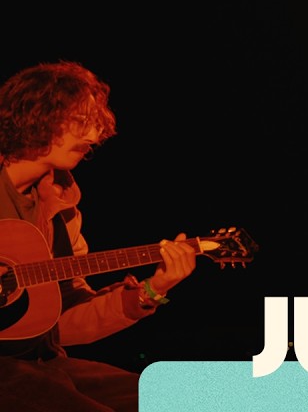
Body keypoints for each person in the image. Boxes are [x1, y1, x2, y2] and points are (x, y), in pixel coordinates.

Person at [0, 61, 198, 412]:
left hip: (43, 362)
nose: (93, 136)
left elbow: (63, 320)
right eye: (82, 121)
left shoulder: (61, 205)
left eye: (95, 124)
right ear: (37, 114)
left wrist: (155, 288)